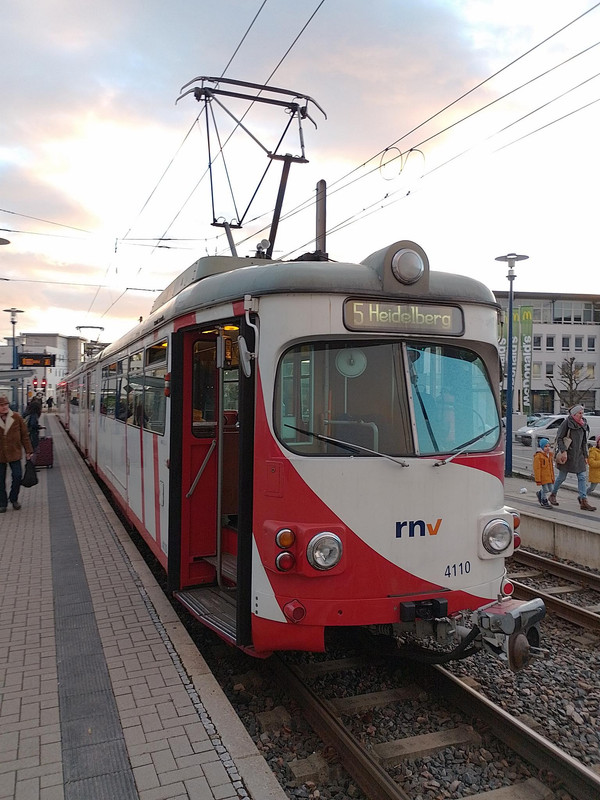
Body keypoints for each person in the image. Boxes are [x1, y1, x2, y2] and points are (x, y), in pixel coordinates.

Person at [549, 405, 596, 511]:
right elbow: (559, 438)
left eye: (582, 413)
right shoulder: (566, 423)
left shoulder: (583, 423)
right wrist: (563, 451)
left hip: (579, 455)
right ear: (574, 413)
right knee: (562, 477)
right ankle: (553, 494)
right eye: (580, 413)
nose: (582, 415)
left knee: (582, 477)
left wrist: (586, 455)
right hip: (567, 455)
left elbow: (584, 442)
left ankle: (583, 500)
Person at [0, 394, 34, 512]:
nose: (4, 407)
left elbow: (24, 435)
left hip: (14, 452)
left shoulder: (16, 417)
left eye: (6, 404)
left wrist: (28, 450)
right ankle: (2, 503)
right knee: (0, 480)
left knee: (17, 476)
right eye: (1, 405)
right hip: (0, 455)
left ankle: (13, 498)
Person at [533, 437, 554, 508]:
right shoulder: (539, 456)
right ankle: (544, 500)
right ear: (542, 447)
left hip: (549, 476)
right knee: (546, 489)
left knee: (551, 489)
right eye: (545, 446)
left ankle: (540, 493)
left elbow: (551, 467)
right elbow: (537, 468)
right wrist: (538, 479)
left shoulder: (549, 455)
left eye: (549, 446)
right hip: (543, 477)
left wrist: (552, 476)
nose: (548, 448)